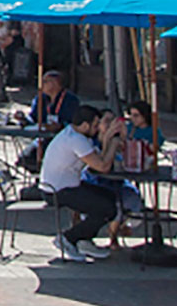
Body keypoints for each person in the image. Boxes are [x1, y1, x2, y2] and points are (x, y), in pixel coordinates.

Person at [41, 105, 121, 262]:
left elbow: (99, 159)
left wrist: (106, 139)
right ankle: (67, 238)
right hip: (57, 190)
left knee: (110, 197)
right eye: (95, 125)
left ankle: (85, 239)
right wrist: (113, 144)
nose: (97, 128)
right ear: (85, 125)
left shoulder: (75, 135)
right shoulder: (76, 140)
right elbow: (103, 166)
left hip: (68, 185)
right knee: (106, 207)